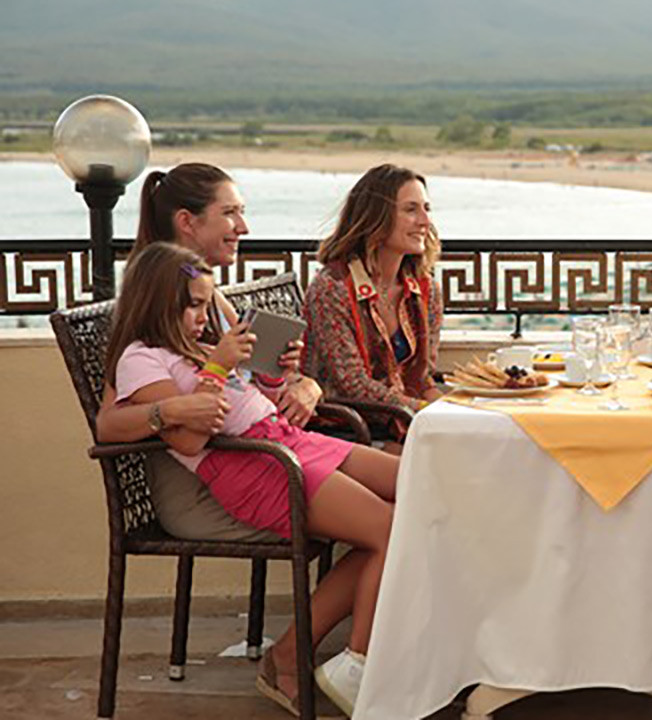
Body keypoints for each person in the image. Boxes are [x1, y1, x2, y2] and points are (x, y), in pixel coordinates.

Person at [106, 243, 397, 716]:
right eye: (193, 305)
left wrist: (276, 374)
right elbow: (188, 440)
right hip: (252, 466)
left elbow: (251, 398)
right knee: (389, 529)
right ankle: (356, 663)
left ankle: (292, 655)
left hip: (287, 440)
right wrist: (218, 365)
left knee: (420, 490)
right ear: (158, 302)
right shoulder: (142, 360)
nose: (204, 316)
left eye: (206, 303)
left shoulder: (197, 346)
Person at [96, 163, 325, 542]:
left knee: (386, 508)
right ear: (187, 222)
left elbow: (252, 377)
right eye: (230, 213)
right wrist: (172, 411)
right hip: (206, 485)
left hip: (258, 458)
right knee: (382, 517)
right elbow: (108, 424)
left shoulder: (211, 300)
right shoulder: (153, 309)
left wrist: (304, 385)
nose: (243, 228)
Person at [303, 164, 443, 452]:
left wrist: (451, 409)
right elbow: (353, 385)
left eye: (427, 208)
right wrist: (426, 411)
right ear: (375, 217)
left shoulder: (425, 289)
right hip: (348, 428)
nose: (425, 221)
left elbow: (423, 376)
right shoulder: (332, 289)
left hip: (402, 422)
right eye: (411, 209)